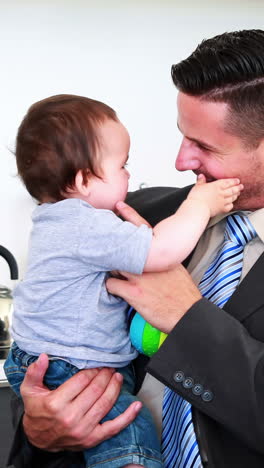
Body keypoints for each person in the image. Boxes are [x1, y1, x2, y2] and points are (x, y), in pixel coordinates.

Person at [5, 28, 264, 468]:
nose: (180, 162)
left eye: (203, 145)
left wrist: (187, 319)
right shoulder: (129, 216)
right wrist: (38, 428)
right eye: (183, 135)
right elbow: (57, 355)